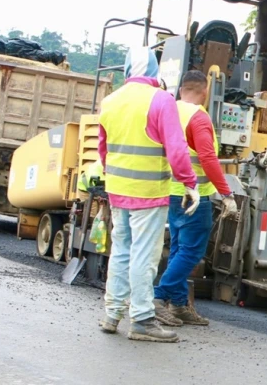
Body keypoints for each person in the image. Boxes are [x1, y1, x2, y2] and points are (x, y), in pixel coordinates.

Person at [97, 46, 200, 343]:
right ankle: (142, 319)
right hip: (148, 192)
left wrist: (115, 175)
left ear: (128, 70)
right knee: (144, 255)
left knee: (121, 252)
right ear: (155, 71)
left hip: (118, 189)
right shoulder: (161, 100)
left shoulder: (110, 101)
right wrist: (189, 182)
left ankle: (112, 314)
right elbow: (177, 148)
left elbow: (103, 148)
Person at [153, 70, 238, 327]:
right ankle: (158, 297)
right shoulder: (198, 118)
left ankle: (179, 305)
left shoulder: (169, 111)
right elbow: (208, 159)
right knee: (192, 252)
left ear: (181, 90)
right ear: (205, 92)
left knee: (179, 249)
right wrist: (226, 193)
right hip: (194, 196)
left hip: (171, 191)